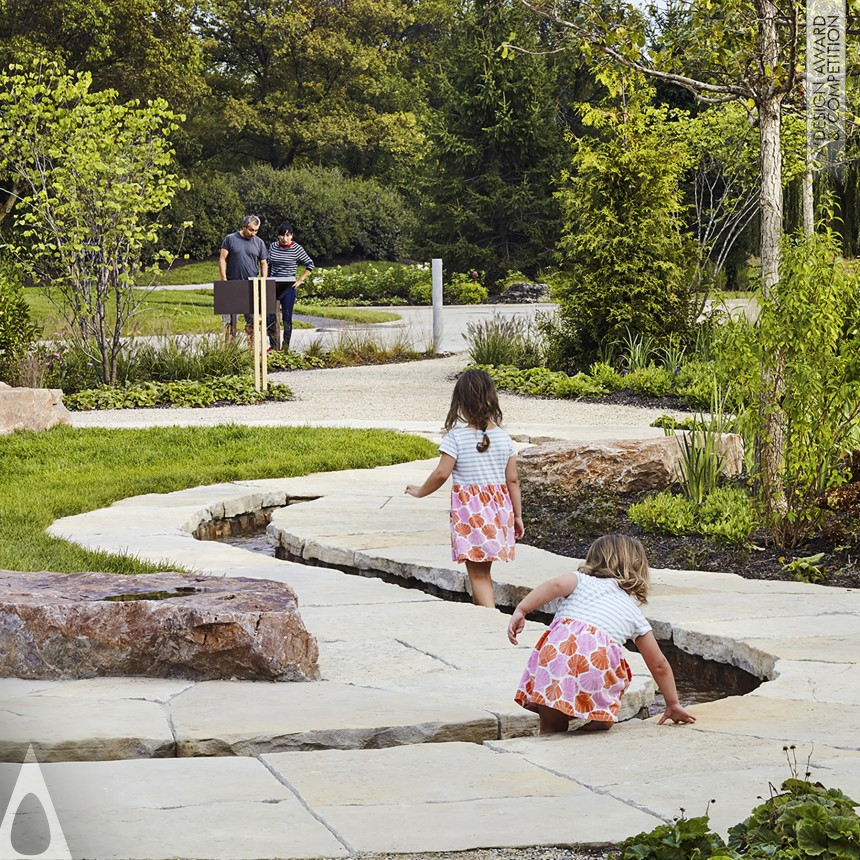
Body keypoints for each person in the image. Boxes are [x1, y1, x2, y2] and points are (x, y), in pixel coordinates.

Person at [508, 534, 696, 734]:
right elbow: (659, 664)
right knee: (602, 713)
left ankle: (551, 733)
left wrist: (522, 609)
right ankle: (600, 722)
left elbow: (555, 585)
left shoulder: (580, 580)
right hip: (597, 665)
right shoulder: (633, 611)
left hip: (557, 659)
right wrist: (673, 703)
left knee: (551, 725)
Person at [405, 368, 524, 608]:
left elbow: (441, 473)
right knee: (482, 572)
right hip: (498, 513)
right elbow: (512, 481)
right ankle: (478, 615)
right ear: (492, 398)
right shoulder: (504, 438)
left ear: (460, 403)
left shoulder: (457, 438)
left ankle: (490, 622)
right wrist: (518, 516)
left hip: (472, 514)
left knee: (477, 575)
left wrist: (420, 491)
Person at [219, 215, 268, 343]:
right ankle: (229, 350)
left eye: (256, 230)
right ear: (243, 227)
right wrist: (224, 279)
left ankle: (251, 351)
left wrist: (263, 281)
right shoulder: (230, 239)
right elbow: (222, 258)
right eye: (251, 230)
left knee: (252, 322)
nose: (253, 233)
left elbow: (263, 263)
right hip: (232, 285)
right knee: (230, 323)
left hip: (251, 286)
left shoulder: (259, 242)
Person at [266, 222, 315, 351]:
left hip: (289, 287)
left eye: (287, 235)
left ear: (291, 236)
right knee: (271, 317)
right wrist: (267, 280)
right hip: (273, 285)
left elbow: (310, 264)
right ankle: (274, 346)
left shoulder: (297, 248)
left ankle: (285, 346)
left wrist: (300, 280)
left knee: (287, 317)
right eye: (282, 235)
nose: (284, 238)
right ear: (278, 236)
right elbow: (269, 264)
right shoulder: (273, 247)